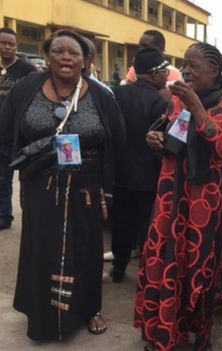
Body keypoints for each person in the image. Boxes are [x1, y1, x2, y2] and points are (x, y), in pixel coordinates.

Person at [0, 29, 125, 340]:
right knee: (41, 248)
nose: (66, 57)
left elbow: (118, 141)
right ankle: (42, 315)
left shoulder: (101, 95)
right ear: (47, 56)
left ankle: (90, 309)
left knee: (86, 249)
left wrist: (106, 189)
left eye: (74, 53)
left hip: (86, 187)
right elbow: (6, 132)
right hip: (40, 185)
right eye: (59, 51)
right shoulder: (26, 88)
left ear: (85, 61)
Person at [135, 43, 222, 351]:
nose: (187, 71)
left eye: (194, 65)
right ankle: (164, 335)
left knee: (199, 268)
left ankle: (201, 338)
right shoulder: (174, 105)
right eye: (185, 64)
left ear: (214, 71)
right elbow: (173, 143)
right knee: (165, 261)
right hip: (170, 199)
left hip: (204, 206)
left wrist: (196, 106)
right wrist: (157, 141)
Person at [108, 47, 169, 282]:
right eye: (164, 71)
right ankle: (146, 275)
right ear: (154, 74)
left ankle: (119, 268)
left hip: (119, 175)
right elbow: (161, 140)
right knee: (146, 228)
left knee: (121, 225)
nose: (166, 77)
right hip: (148, 177)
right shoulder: (159, 101)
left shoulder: (116, 94)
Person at [0, 27, 37, 230]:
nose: (7, 47)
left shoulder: (28, 70)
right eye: (3, 43)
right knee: (2, 178)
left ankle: (32, 219)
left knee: (27, 178)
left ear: (16, 46)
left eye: (11, 44)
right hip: (0, 133)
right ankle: (4, 216)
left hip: (19, 133)